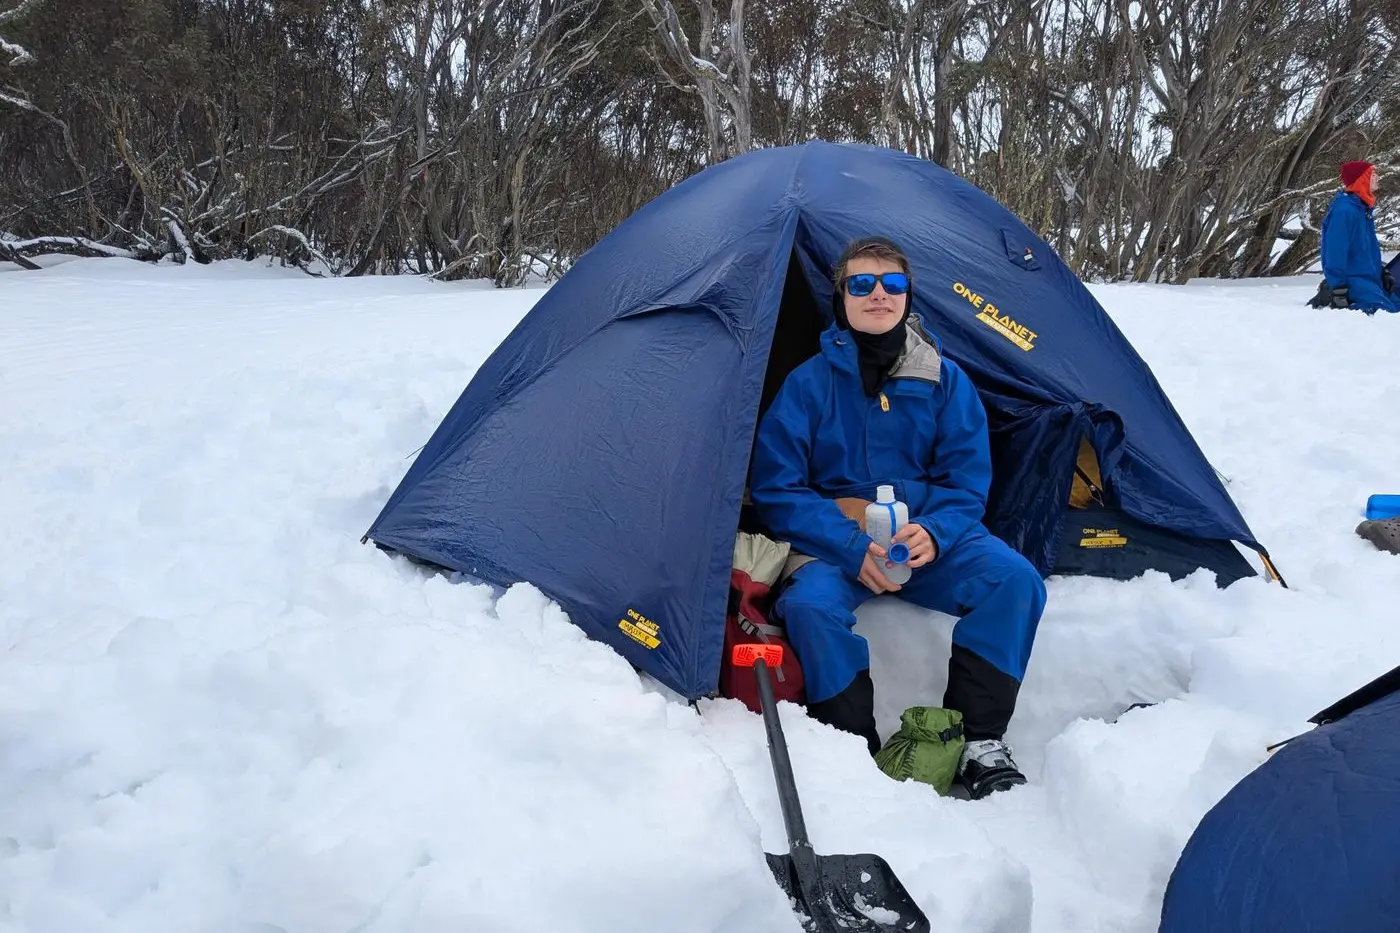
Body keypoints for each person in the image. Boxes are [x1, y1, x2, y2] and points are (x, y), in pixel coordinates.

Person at [748, 235, 1047, 799]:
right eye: (862, 284)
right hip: (839, 545)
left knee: (1014, 581)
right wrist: (849, 545)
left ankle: (979, 741)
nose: (878, 294)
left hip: (927, 536)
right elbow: (777, 488)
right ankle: (853, 745)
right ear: (842, 297)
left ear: (908, 296)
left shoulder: (944, 379)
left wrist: (937, 531)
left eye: (893, 284)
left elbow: (967, 481)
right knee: (809, 607)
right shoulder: (808, 384)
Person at [1312, 159, 1399, 314]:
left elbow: (1365, 251)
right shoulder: (1344, 211)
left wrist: (1382, 272)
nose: (1378, 177)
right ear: (1362, 179)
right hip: (1353, 282)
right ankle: (1328, 292)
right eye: (1373, 174)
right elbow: (1334, 252)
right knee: (1388, 314)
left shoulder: (1362, 209)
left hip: (1371, 280)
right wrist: (1338, 288)